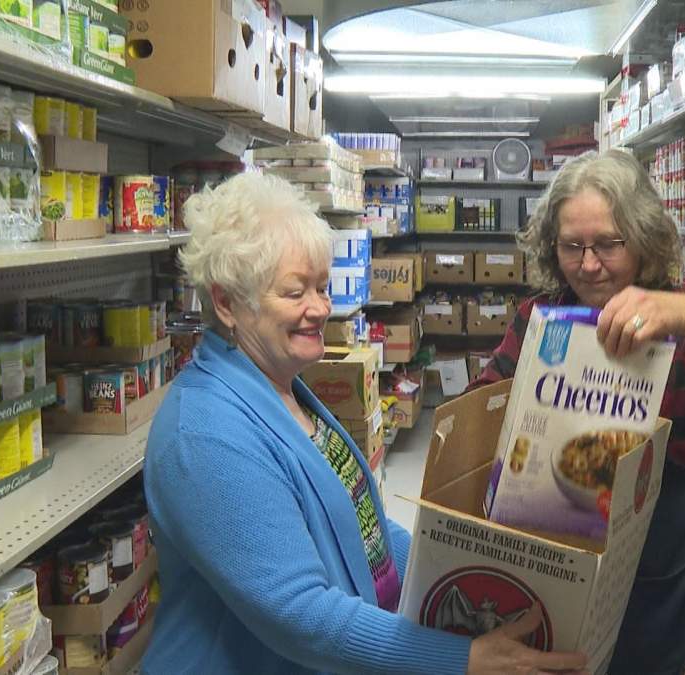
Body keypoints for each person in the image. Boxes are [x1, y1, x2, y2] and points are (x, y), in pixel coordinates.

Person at [142, 172, 587, 675]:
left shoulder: (280, 386)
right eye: (295, 293)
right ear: (226, 303)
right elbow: (298, 612)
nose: (320, 308)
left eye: (322, 286)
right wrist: (459, 659)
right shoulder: (204, 434)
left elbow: (360, 526)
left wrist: (459, 565)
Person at [469, 150, 685, 675]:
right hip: (552, 541)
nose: (589, 265)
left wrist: (682, 312)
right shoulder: (541, 318)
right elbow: (479, 409)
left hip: (659, 557)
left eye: (609, 244)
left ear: (643, 236)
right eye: (572, 247)